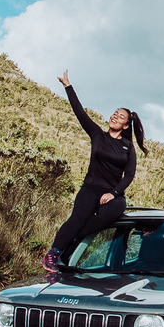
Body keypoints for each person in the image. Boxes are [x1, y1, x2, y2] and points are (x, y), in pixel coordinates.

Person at [42, 70, 148, 271]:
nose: (115, 116)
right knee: (76, 219)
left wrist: (113, 193)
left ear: (126, 125)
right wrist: (68, 86)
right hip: (90, 189)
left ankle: (74, 237)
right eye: (115, 113)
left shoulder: (127, 147)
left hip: (112, 193)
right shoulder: (98, 135)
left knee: (116, 209)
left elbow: (129, 175)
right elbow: (79, 112)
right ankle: (53, 254)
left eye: (121, 116)